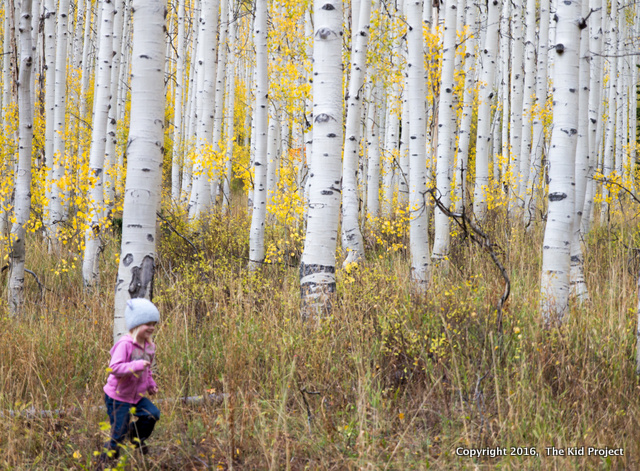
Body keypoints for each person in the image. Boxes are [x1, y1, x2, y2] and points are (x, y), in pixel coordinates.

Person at [100, 298, 161, 462]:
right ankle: (106, 462)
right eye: (147, 324)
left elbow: (147, 370)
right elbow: (114, 368)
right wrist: (135, 365)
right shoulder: (125, 344)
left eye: (154, 324)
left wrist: (150, 384)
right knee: (118, 433)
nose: (152, 328)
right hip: (117, 396)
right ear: (135, 324)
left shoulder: (149, 346)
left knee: (152, 414)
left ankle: (135, 436)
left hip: (136, 396)